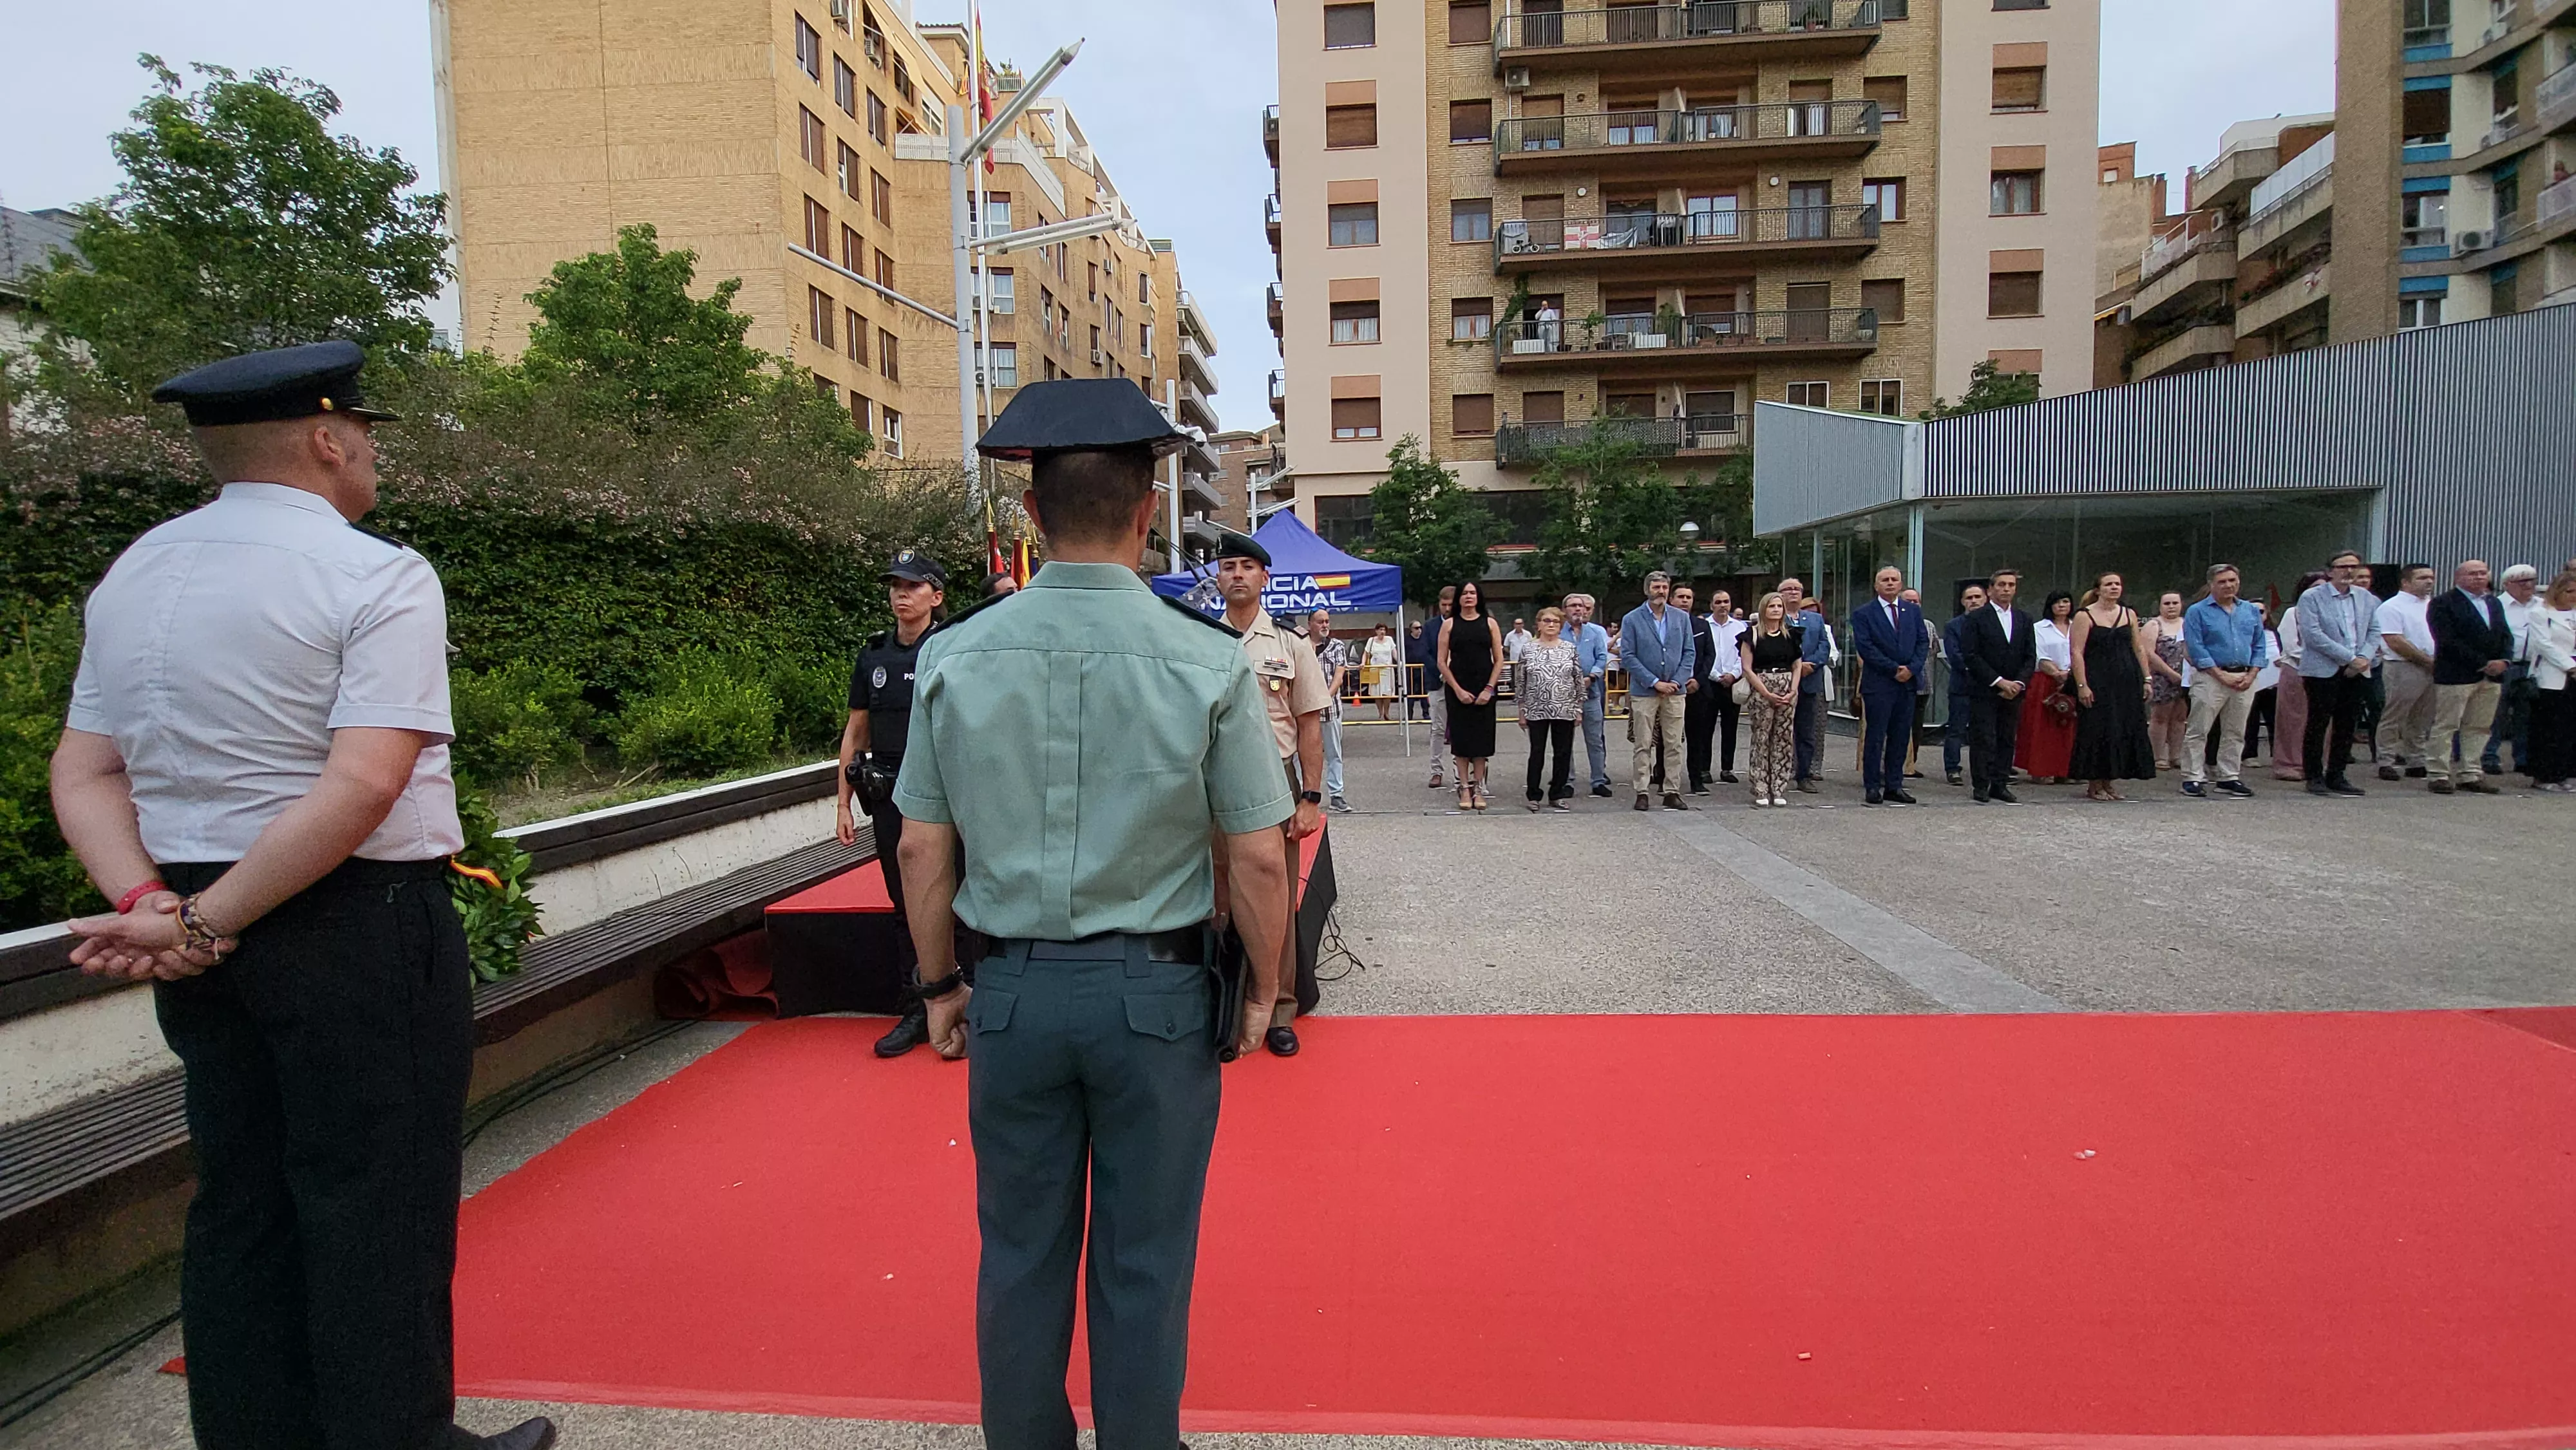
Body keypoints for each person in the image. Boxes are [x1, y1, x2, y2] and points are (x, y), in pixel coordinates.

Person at [49, 342, 554, 1450]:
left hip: (189, 921)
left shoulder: (134, 571)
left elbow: (82, 772)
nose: (372, 450)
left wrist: (157, 904)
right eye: (366, 430)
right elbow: (365, 783)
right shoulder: (375, 573)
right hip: (348, 923)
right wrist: (208, 920)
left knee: (240, 1196)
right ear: (328, 437)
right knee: (377, 1199)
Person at [896, 379, 1294, 1450]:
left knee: (1018, 1251)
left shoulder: (953, 656)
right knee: (1146, 1261)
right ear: (1144, 511)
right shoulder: (1207, 659)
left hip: (1015, 991)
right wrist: (1266, 987)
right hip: (1158, 1001)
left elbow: (922, 842)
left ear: (1032, 515)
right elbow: (1259, 852)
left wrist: (940, 985)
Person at [838, 550, 959, 1059]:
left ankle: (971, 995)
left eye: (911, 585)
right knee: (903, 902)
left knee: (961, 896)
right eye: (894, 585)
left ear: (936, 596)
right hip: (889, 795)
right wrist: (843, 803)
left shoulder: (953, 649)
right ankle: (918, 1003)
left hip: (947, 796)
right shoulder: (874, 657)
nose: (900, 594)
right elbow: (856, 731)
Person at [1215, 531, 1330, 1054]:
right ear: (1218, 579)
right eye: (1228, 567)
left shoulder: (1291, 644)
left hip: (1275, 778)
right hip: (1213, 781)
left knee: (1275, 900)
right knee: (1215, 897)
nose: (1236, 574)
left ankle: (1280, 1004)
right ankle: (1220, 1001)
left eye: (1247, 566)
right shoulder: (1200, 638)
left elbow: (1309, 725)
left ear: (1265, 578)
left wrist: (1310, 796)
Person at [2296, 550, 2383, 796]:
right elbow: (2313, 635)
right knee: (2318, 722)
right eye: (2343, 566)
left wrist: (2364, 658)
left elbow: (2375, 630)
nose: (2348, 571)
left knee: (2347, 724)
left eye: (2353, 566)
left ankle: (2338, 774)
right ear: (2330, 570)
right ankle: (2314, 775)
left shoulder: (2366, 598)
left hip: (2357, 669)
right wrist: (2350, 658)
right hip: (2323, 669)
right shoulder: (2312, 597)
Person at [2178, 564, 2269, 798]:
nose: (2229, 585)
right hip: (2211, 676)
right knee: (2200, 729)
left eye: (2232, 580)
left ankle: (2229, 776)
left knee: (2236, 730)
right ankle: (2193, 776)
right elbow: (2196, 647)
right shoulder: (2197, 611)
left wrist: (2252, 674)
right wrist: (2220, 674)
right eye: (2222, 582)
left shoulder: (2249, 610)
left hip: (2244, 676)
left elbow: (2259, 644)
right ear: (2211, 585)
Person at [2067, 571, 2157, 801]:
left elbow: (2138, 648)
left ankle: (2110, 781)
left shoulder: (2129, 614)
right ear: (2098, 589)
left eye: (2118, 584)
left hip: (2126, 681)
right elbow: (2077, 651)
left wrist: (2146, 678)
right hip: (2097, 680)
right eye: (2109, 584)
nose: (2114, 588)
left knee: (2121, 729)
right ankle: (2094, 783)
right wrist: (2082, 685)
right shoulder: (2084, 616)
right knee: (2098, 730)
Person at [2425, 559, 2512, 795]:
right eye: (2472, 574)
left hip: (2491, 678)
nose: (2479, 577)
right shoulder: (2443, 603)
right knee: (2446, 725)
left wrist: (2504, 660)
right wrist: (2483, 664)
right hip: (2456, 674)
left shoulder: (2493, 602)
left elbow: (2505, 633)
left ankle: (2470, 773)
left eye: (2483, 573)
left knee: (2479, 727)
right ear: (2458, 578)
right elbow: (2447, 640)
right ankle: (2439, 773)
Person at [1848, 564, 1928, 806]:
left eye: (1894, 579)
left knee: (1901, 735)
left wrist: (1911, 669)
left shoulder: (1912, 612)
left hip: (1907, 684)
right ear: (1877, 586)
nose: (1890, 583)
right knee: (1876, 735)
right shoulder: (1864, 614)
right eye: (1885, 580)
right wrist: (1894, 670)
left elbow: (1922, 642)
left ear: (1901, 584)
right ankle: (1873, 786)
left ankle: (1895, 785)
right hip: (1880, 683)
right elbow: (1866, 648)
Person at [1961, 566, 2037, 804]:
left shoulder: (2024, 619)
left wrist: (2018, 683)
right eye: (2001, 585)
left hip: (2014, 690)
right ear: (1990, 589)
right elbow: (1971, 655)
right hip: (1986, 688)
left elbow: (2029, 655)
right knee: (1984, 738)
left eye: (2011, 585)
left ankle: (2000, 783)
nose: (2006, 589)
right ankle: (1981, 784)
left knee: (2007, 737)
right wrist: (1999, 681)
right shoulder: (1976, 618)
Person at [1620, 570, 1696, 811]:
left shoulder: (1681, 619)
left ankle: (1672, 790)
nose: (1661, 591)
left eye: (1664, 587)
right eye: (1656, 587)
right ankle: (1642, 790)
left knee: (1674, 743)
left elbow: (1689, 652)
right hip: (1645, 691)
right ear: (1647, 590)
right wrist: (1654, 682)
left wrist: (1676, 681)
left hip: (1675, 690)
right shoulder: (1632, 619)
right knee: (1643, 743)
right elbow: (1628, 656)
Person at [1439, 580, 1506, 811]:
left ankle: (1479, 788)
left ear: (1479, 597)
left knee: (1481, 743)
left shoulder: (1490, 624)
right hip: (1458, 688)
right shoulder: (1449, 625)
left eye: (1473, 593)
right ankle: (1464, 787)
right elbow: (1441, 661)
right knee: (1461, 742)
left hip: (1484, 688)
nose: (1469, 597)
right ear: (1459, 598)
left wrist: (1489, 688)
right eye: (1465, 593)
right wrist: (1457, 689)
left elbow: (1499, 660)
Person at [1739, 592, 1809, 806]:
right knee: (1762, 737)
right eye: (1772, 606)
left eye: (1779, 606)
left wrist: (1793, 690)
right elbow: (1747, 668)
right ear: (1764, 609)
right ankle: (1760, 787)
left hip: (1787, 685)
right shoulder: (1751, 635)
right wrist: (1766, 693)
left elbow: (1798, 665)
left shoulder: (1791, 635)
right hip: (1762, 686)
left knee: (1783, 738)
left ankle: (1779, 786)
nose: (1776, 610)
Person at [2375, 562, 2439, 780]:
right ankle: (2387, 759)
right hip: (2403, 666)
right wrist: (2424, 660)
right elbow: (2394, 640)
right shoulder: (2392, 606)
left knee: (2422, 717)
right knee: (2395, 715)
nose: (2429, 582)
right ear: (2406, 582)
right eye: (2422, 578)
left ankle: (2416, 759)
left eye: (2431, 577)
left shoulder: (2434, 605)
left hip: (2434, 666)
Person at [1517, 606, 1584, 809]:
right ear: (1538, 624)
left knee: (1563, 752)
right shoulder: (1528, 649)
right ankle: (1534, 795)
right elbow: (1521, 682)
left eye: (1555, 622)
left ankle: (1557, 793)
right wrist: (1521, 711)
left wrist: (1578, 708)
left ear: (1561, 625)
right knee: (1537, 752)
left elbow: (1578, 679)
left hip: (1564, 708)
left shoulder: (1569, 648)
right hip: (1536, 708)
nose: (1551, 625)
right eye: (1546, 621)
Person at [1776, 576, 1833, 792]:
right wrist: (1796, 667)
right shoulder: (1775, 617)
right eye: (1788, 589)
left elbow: (1824, 645)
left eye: (1797, 589)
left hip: (1810, 681)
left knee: (1806, 732)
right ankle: (1781, 773)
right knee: (1782, 731)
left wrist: (1812, 664)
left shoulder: (1815, 620)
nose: (1793, 592)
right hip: (1783, 682)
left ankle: (1804, 775)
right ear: (1780, 593)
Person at [2484, 563, 2541, 777]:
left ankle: (2523, 758)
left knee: (2526, 715)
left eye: (2531, 581)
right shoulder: (2497, 605)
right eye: (2521, 582)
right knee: (2496, 714)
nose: (2528, 585)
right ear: (2508, 584)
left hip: (2532, 665)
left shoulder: (2541, 606)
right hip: (2507, 664)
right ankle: (2489, 756)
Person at [2271, 573, 2328, 782]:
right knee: (2293, 719)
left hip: (2327, 673)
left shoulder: (2332, 614)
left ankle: (2316, 763)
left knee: (2321, 720)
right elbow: (2291, 646)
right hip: (2298, 670)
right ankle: (2289, 763)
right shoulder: (2293, 613)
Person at [2522, 571, 2576, 791]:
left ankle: (2569, 772)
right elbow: (2544, 644)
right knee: (2549, 727)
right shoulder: (2540, 613)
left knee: (2571, 728)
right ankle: (2545, 775)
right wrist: (2570, 666)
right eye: (2569, 592)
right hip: (2552, 675)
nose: (2573, 596)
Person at [2019, 590, 2079, 784]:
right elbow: (2039, 654)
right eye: (2057, 602)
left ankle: (2066, 771)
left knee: (2069, 728)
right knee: (2044, 728)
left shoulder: (2077, 626)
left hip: (2073, 679)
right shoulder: (2039, 628)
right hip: (2045, 680)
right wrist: (2057, 674)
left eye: (2066, 602)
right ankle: (2042, 770)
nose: (2062, 606)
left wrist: (2070, 675)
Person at [1561, 592, 1614, 796]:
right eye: (1573, 606)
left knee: (1595, 739)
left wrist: (1592, 676)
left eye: (1581, 606)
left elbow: (1602, 657)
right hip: (1565, 696)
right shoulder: (1558, 633)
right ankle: (1566, 780)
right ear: (1565, 610)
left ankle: (1599, 780)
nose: (1578, 610)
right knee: (1566, 740)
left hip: (1591, 692)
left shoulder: (1594, 633)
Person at [1941, 582, 1989, 785]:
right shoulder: (1954, 626)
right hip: (1963, 685)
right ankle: (1953, 769)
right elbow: (1955, 655)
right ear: (1962, 602)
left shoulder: (1992, 623)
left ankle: (1988, 768)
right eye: (1969, 598)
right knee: (1957, 729)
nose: (1974, 601)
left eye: (1978, 597)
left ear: (1985, 599)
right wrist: (1981, 672)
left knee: (1986, 730)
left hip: (1989, 687)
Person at [1309, 610, 1354, 813]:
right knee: (1304, 755)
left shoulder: (1337, 646)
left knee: (1334, 754)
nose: (1325, 625)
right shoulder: (1301, 646)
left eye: (1327, 621)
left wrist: (1325, 697)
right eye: (1320, 622)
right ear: (1311, 624)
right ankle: (1305, 796)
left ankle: (1337, 795)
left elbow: (1339, 675)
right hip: (1306, 711)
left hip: (1330, 710)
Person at [2141, 590, 2190, 769]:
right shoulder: (2153, 625)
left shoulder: (2187, 624)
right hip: (2162, 677)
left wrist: (2185, 676)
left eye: (2175, 603)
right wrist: (2170, 674)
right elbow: (2148, 653)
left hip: (2186, 678)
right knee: (2160, 717)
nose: (2171, 607)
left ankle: (2176, 755)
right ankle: (2157, 756)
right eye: (2167, 603)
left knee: (2180, 717)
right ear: (2160, 606)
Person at [1680, 586, 1721, 793]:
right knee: (1668, 738)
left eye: (1688, 597)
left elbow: (1709, 655)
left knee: (1697, 738)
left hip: (1698, 689)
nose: (1685, 601)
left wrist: (1698, 679)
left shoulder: (1702, 626)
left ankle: (1697, 779)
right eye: (1680, 597)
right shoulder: (1666, 624)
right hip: (1672, 688)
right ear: (1672, 600)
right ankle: (1662, 776)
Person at [1705, 590, 1747, 784]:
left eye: (1726, 602)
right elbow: (1703, 655)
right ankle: (1704, 768)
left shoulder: (1740, 628)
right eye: (1718, 602)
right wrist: (1715, 675)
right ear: (1711, 605)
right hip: (1709, 683)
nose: (1723, 605)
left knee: (1730, 727)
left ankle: (1727, 768)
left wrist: (1734, 674)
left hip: (1732, 682)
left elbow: (1744, 656)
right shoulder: (1705, 627)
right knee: (1706, 728)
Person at [1902, 587, 1938, 779]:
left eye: (1916, 602)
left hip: (1923, 684)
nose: (1912, 605)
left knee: (1916, 726)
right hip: (1901, 682)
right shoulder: (1897, 623)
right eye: (1908, 601)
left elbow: (1933, 651)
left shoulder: (1929, 626)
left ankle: (1911, 764)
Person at [2242, 603, 2282, 766]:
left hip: (2274, 682)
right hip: (2251, 680)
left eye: (2261, 611)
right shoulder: (2242, 633)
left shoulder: (2274, 633)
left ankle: (2278, 754)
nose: (2257, 615)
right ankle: (2249, 754)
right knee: (2251, 719)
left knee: (2275, 719)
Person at [1426, 584, 1457, 786]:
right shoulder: (1430, 626)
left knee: (1460, 729)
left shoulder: (1463, 624)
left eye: (1450, 605)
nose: (1447, 608)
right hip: (1437, 683)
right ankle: (1436, 771)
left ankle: (1460, 772)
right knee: (1438, 729)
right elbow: (1425, 654)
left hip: (1461, 683)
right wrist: (1441, 673)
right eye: (1443, 604)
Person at [1362, 623, 1400, 721]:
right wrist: (1363, 663)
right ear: (1376, 631)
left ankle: (1387, 713)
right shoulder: (1371, 641)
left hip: (1387, 669)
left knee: (1387, 693)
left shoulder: (1390, 640)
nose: (1382, 632)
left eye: (1384, 630)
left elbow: (1394, 653)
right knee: (1377, 693)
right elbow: (1366, 653)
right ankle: (1380, 713)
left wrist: (1399, 662)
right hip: (1375, 669)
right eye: (1380, 630)